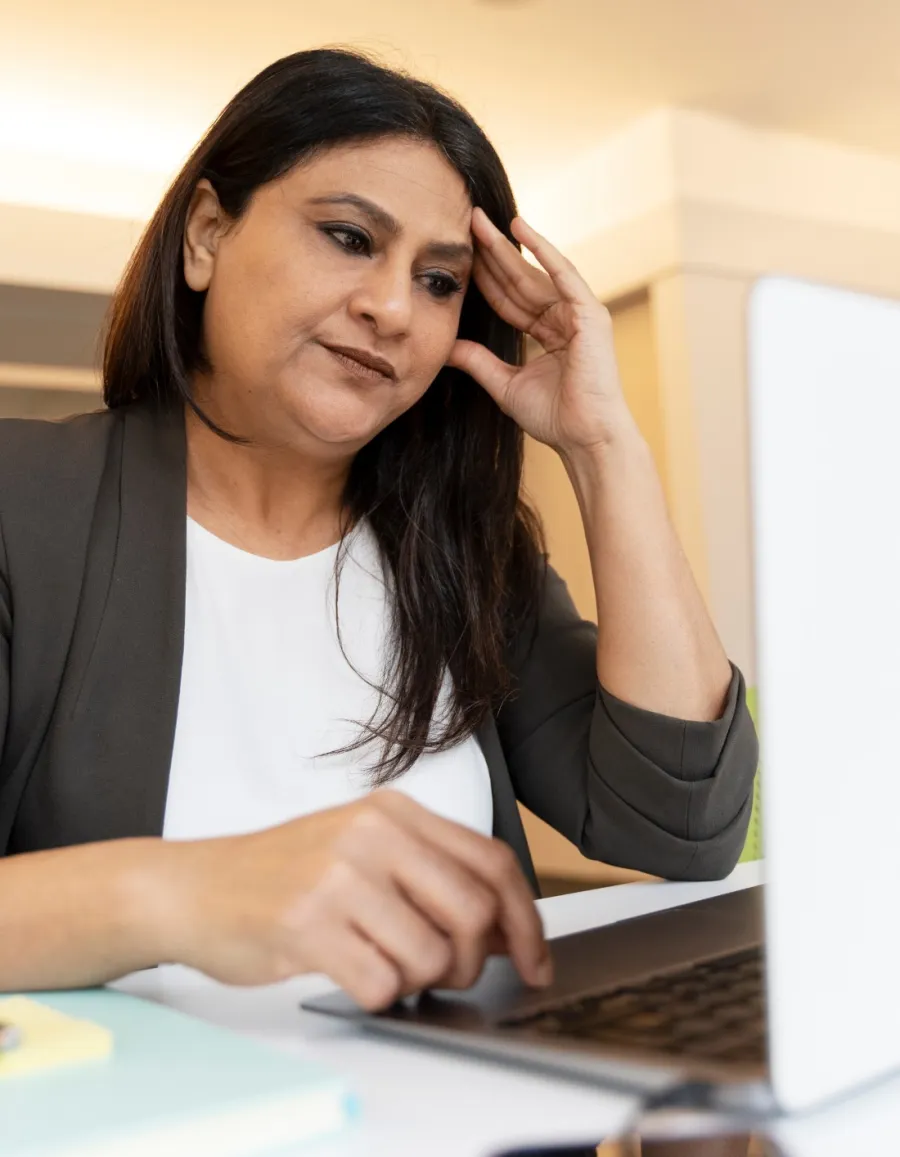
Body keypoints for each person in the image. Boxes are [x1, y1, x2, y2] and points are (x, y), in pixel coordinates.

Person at [0, 49, 757, 1009]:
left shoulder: (467, 556)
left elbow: (682, 824)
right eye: (350, 237)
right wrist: (192, 892)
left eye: (441, 282)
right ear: (204, 236)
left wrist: (604, 445)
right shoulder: (23, 502)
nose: (392, 308)